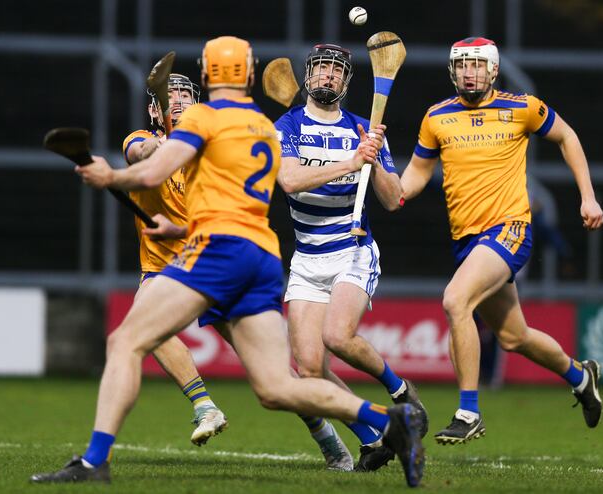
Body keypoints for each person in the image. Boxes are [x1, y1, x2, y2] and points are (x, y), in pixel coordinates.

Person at [30, 36, 424, 488]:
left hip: (217, 252)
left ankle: (94, 461)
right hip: (260, 255)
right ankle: (389, 420)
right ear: (250, 76)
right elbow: (231, 196)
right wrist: (180, 228)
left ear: (206, 76)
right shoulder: (261, 125)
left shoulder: (207, 118)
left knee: (125, 341)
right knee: (278, 387)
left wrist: (108, 175)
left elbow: (153, 170)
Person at [399, 37, 603, 445]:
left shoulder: (522, 107)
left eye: (477, 65)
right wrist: (391, 187)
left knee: (455, 300)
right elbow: (416, 175)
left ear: (493, 70)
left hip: (509, 228)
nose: (469, 72)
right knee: (514, 337)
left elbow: (567, 137)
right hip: (467, 240)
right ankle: (581, 377)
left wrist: (588, 196)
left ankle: (468, 412)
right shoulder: (436, 116)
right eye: (462, 65)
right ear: (452, 71)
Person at [274, 43, 427, 470]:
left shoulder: (364, 128)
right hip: (306, 258)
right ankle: (373, 438)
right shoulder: (287, 125)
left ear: (346, 81)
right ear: (308, 75)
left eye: (336, 71)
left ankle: (401, 393)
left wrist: (373, 161)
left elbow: (394, 199)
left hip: (351, 249)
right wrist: (351, 162)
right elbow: (289, 181)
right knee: (308, 370)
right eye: (321, 68)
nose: (328, 75)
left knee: (338, 337)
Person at [121, 72, 226, 447]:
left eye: (184, 95)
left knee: (272, 378)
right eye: (169, 96)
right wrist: (161, 147)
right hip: (164, 267)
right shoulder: (141, 139)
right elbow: (139, 153)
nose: (177, 100)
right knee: (144, 326)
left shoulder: (211, 153)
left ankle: (331, 434)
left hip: (214, 262)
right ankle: (205, 406)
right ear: (155, 111)